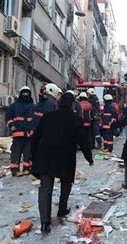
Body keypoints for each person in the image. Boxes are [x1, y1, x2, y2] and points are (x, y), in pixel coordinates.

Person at [31, 93, 93, 234]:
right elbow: (83, 141)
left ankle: (45, 223)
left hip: (45, 156)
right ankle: (62, 209)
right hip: (65, 157)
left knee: (45, 188)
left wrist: (33, 156)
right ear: (72, 105)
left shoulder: (47, 117)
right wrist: (89, 157)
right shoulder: (76, 120)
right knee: (66, 182)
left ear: (59, 104)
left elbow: (35, 137)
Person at [5, 86, 36, 176]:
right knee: (16, 153)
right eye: (24, 93)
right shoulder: (14, 106)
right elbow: (8, 117)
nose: (25, 95)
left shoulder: (33, 107)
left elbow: (36, 120)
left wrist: (33, 130)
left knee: (28, 153)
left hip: (29, 135)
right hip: (18, 135)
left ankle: (27, 169)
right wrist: (11, 125)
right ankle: (15, 170)